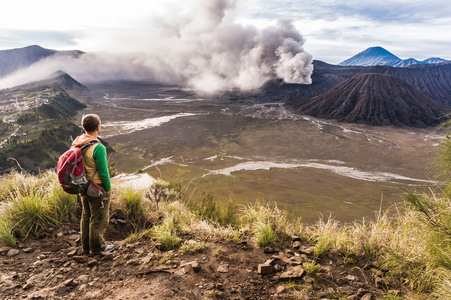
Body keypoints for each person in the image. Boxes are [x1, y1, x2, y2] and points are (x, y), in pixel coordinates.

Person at [73, 114, 114, 254]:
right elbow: (103, 172)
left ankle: (86, 247)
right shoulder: (98, 147)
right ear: (98, 127)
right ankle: (98, 247)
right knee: (99, 218)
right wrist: (107, 188)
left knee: (86, 216)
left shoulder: (78, 142)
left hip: (82, 186)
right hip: (97, 188)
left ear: (84, 128)